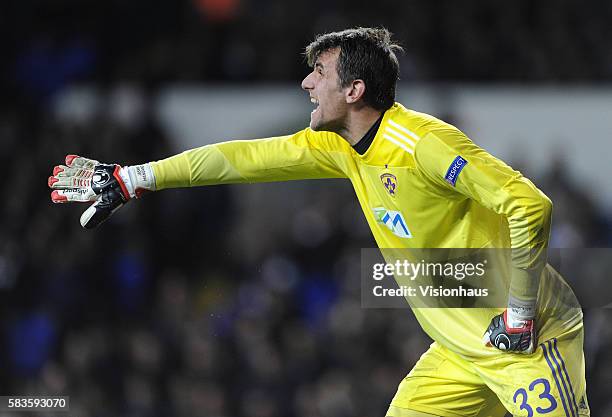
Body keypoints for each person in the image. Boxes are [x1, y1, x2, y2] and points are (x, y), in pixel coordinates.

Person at [48, 27, 589, 417]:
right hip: (458, 351)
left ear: (355, 91)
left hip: (529, 342)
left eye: (320, 73)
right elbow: (241, 158)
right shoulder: (342, 148)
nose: (307, 83)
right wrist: (133, 177)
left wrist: (519, 314)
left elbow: (530, 205)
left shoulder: (421, 143)